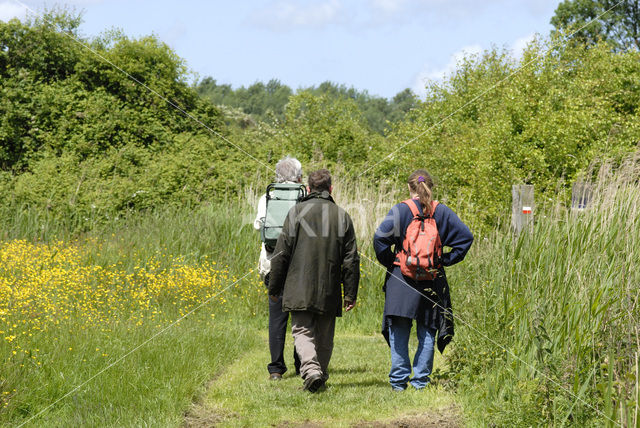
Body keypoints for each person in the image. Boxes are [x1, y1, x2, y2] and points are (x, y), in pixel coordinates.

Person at [373, 169, 473, 391]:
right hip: (432, 279)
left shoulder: (401, 210)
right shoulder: (442, 212)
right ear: (431, 186)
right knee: (427, 330)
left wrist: (393, 262)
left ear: (410, 188)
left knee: (399, 329)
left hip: (401, 278)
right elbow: (466, 238)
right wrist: (442, 261)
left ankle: (399, 382)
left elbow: (379, 240)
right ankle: (420, 382)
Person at [268, 169, 360, 392]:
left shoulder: (296, 212)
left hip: (298, 285)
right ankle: (320, 376)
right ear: (330, 189)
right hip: (328, 287)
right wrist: (350, 293)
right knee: (325, 336)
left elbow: (281, 253)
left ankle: (311, 371)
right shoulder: (342, 215)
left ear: (308, 189)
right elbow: (351, 259)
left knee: (302, 330)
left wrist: (275, 286)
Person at [254, 156, 302, 380]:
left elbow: (259, 226)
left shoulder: (267, 196)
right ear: (298, 175)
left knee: (277, 317)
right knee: (300, 317)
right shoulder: (303, 195)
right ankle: (301, 364)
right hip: (297, 266)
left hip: (273, 264)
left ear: (277, 175)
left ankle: (275, 369)